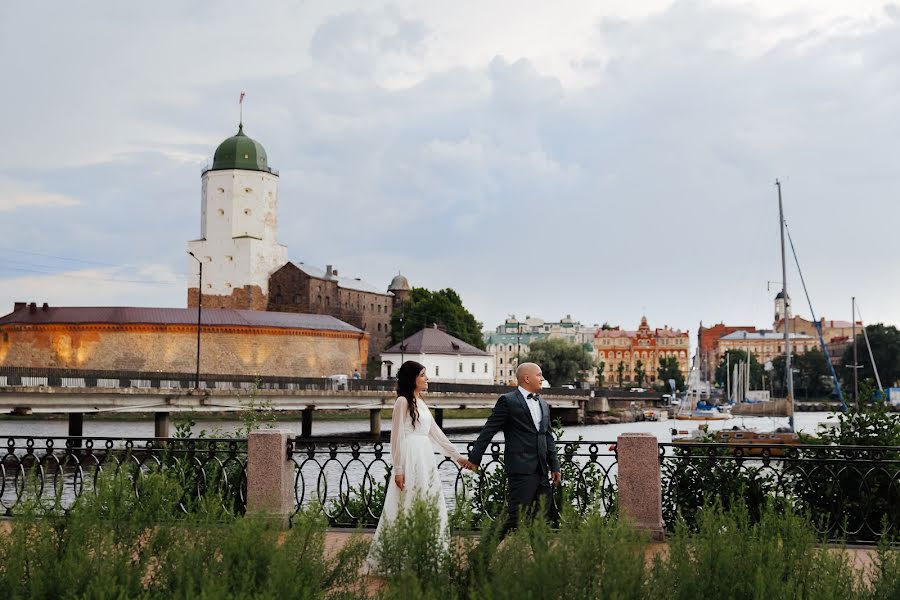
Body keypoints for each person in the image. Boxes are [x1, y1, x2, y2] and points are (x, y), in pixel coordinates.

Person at [365, 360, 477, 573]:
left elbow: (436, 435)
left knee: (428, 502)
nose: (427, 378)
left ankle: (425, 556)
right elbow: (396, 437)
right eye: (423, 374)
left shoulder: (421, 403)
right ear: (413, 378)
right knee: (407, 503)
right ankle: (402, 559)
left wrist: (458, 458)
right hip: (410, 456)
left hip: (425, 457)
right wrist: (398, 469)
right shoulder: (402, 402)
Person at [468, 362, 561, 537]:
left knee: (540, 517)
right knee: (514, 515)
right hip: (520, 468)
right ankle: (481, 555)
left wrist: (554, 465)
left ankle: (543, 561)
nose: (542, 379)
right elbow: (489, 430)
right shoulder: (508, 401)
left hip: (542, 470)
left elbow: (547, 437)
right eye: (539, 375)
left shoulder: (544, 404)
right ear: (527, 378)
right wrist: (474, 459)